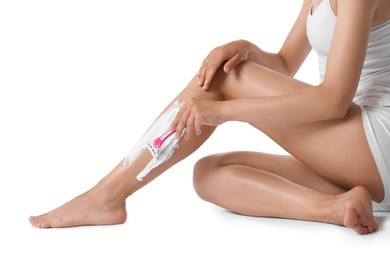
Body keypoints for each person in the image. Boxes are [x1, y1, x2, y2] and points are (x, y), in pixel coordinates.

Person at [29, 0, 390, 235]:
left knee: (226, 79)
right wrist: (245, 48)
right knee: (210, 174)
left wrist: (224, 110)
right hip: (363, 170)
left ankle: (105, 196)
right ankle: (336, 208)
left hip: (376, 140)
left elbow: (332, 100)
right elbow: (284, 65)